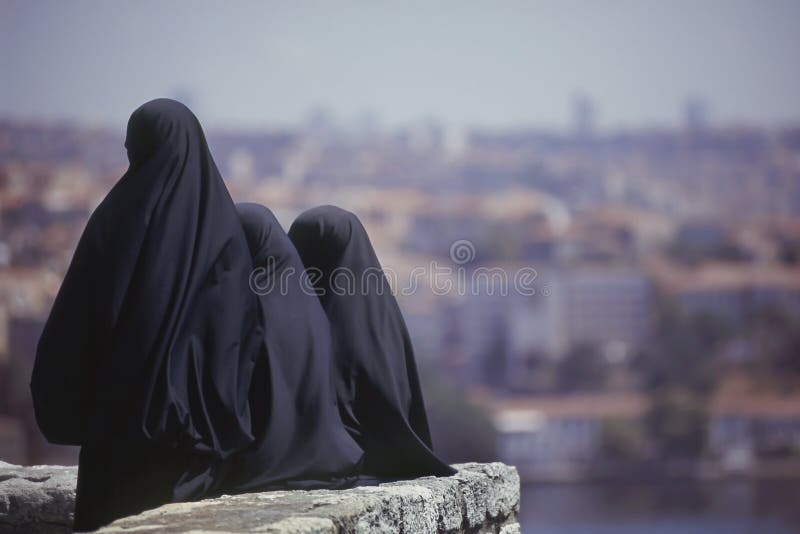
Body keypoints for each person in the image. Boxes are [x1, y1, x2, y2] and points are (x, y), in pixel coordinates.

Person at [30, 99, 453, 531]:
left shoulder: (116, 225)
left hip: (111, 457)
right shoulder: (217, 249)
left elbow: (71, 342)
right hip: (180, 468)